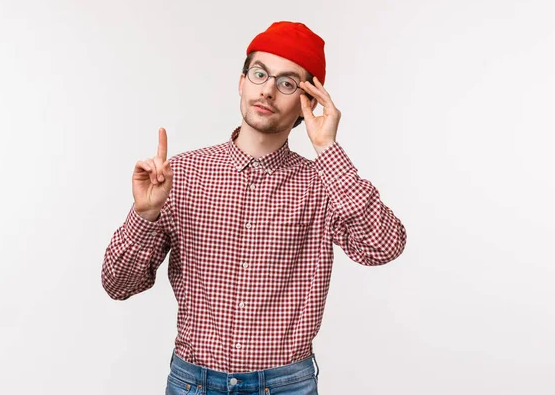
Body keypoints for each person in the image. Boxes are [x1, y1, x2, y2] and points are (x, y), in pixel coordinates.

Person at [102, 21, 407, 394]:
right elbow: (117, 285)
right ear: (242, 81)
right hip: (192, 383)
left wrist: (327, 149)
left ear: (306, 102)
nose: (267, 90)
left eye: (287, 83)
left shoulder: (323, 184)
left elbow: (384, 247)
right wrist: (145, 216)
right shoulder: (178, 175)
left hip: (284, 385)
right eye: (260, 73)